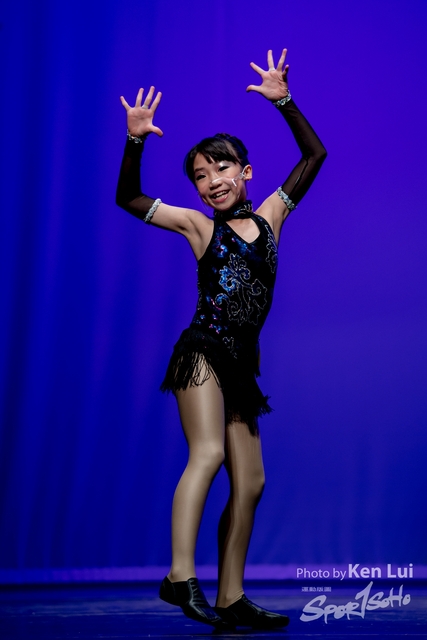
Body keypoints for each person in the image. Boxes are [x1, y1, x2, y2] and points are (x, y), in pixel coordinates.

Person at [116, 48, 326, 630]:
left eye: (220, 169)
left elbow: (314, 155)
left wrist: (284, 101)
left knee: (251, 483)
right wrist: (135, 141)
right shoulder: (198, 226)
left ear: (246, 172)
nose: (210, 182)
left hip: (239, 364)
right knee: (207, 454)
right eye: (200, 176)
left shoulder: (271, 218)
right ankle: (179, 576)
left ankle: (231, 597)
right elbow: (128, 199)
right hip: (202, 352)